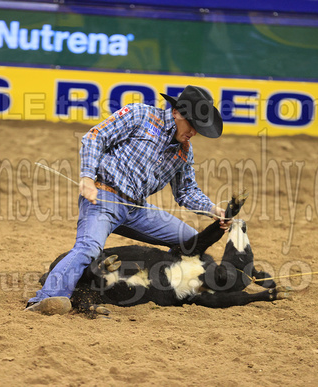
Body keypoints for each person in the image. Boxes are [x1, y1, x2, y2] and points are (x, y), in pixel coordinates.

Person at [26, 85, 230, 314]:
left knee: (191, 241)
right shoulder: (139, 114)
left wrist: (213, 209)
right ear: (177, 113)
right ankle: (44, 299)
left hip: (136, 209)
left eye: (198, 128)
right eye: (192, 124)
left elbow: (186, 191)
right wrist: (87, 177)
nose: (194, 132)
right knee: (89, 247)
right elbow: (95, 136)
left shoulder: (184, 152)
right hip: (102, 198)